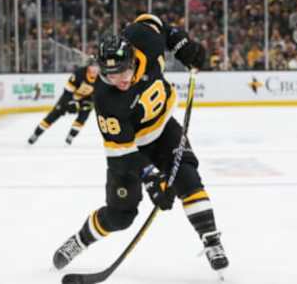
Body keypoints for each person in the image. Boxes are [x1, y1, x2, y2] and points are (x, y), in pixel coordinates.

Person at [52, 14, 229, 276]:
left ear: (132, 59)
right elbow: (122, 156)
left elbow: (160, 24)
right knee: (121, 216)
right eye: (110, 75)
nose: (119, 80)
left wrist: (183, 46)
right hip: (131, 151)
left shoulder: (143, 37)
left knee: (187, 178)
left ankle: (212, 240)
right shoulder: (106, 100)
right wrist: (151, 178)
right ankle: (79, 240)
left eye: (123, 71)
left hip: (163, 128)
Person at [27, 58, 99, 145]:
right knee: (54, 114)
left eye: (97, 66)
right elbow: (67, 91)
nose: (95, 69)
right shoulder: (79, 73)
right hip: (70, 97)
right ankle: (36, 133)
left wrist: (91, 103)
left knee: (83, 116)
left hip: (86, 99)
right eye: (92, 66)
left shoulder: (102, 77)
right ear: (88, 67)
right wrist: (68, 103)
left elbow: (99, 94)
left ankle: (71, 136)